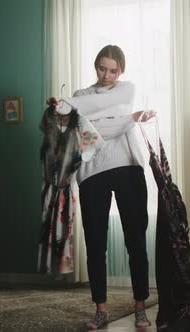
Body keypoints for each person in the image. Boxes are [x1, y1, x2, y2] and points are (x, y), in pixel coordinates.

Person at [48, 45, 155, 330]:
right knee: (95, 243)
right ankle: (100, 309)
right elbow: (81, 131)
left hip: (128, 168)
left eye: (113, 70)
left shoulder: (125, 90)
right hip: (91, 171)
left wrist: (91, 118)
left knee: (136, 241)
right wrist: (125, 120)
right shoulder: (81, 96)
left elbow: (92, 127)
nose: (107, 75)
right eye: (102, 68)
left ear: (121, 70)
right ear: (95, 66)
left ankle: (140, 307)